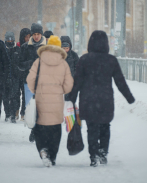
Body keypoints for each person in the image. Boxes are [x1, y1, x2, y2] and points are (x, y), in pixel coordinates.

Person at [68, 30, 135, 167]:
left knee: (91, 128)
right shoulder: (111, 60)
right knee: (105, 127)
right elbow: (120, 81)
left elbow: (77, 82)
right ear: (106, 44)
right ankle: (103, 152)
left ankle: (93, 156)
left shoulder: (84, 60)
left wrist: (71, 98)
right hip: (105, 100)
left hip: (88, 100)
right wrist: (129, 97)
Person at [26, 35, 73, 167]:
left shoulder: (38, 61)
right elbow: (69, 85)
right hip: (57, 101)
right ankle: (52, 156)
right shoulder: (64, 63)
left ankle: (43, 150)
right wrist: (60, 90)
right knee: (55, 129)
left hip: (41, 99)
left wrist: (36, 90)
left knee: (40, 127)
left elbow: (30, 79)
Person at [19, 23, 46, 142]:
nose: (36, 37)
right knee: (30, 108)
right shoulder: (25, 47)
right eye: (34, 34)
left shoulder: (47, 47)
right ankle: (33, 128)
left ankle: (36, 131)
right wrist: (30, 64)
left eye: (38, 34)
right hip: (29, 82)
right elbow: (19, 64)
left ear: (41, 34)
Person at [2, 31, 21, 123]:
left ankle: (13, 114)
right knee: (5, 96)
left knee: (14, 96)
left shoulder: (17, 50)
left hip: (15, 77)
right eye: (8, 39)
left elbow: (20, 62)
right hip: (4, 77)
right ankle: (7, 114)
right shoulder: (2, 49)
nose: (10, 41)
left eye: (11, 39)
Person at [60, 36, 79, 101]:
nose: (65, 50)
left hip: (71, 83)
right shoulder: (57, 55)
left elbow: (78, 69)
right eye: (63, 48)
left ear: (70, 47)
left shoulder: (74, 55)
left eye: (67, 48)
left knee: (70, 102)